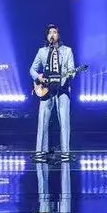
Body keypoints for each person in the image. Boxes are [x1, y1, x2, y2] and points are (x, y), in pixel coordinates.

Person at [30, 24, 75, 158]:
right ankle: (40, 151)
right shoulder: (42, 51)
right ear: (47, 36)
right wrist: (38, 77)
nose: (52, 34)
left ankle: (65, 152)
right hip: (46, 88)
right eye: (50, 32)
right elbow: (32, 69)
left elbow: (72, 69)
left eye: (55, 32)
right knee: (42, 120)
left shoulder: (67, 51)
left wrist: (70, 74)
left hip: (62, 88)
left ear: (58, 35)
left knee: (64, 121)